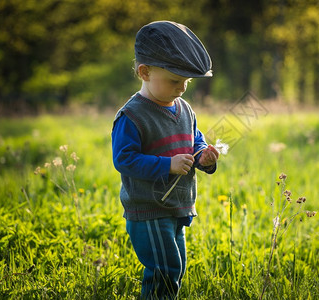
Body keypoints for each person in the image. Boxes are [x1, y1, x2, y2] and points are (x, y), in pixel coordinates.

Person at [111, 21, 219, 299]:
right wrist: (167, 165)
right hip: (150, 209)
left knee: (176, 268)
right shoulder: (132, 116)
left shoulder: (185, 108)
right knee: (164, 270)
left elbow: (194, 139)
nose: (182, 88)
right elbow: (124, 159)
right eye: (174, 80)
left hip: (177, 205)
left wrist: (203, 156)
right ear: (144, 72)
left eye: (187, 81)